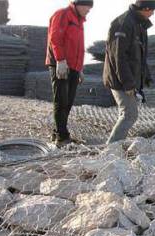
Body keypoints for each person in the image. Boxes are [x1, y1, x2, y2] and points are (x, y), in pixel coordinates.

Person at [103, 0, 155, 144]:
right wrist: (128, 83)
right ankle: (110, 149)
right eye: (152, 10)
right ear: (145, 8)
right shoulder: (124, 23)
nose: (153, 14)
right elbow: (118, 56)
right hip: (120, 80)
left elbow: (139, 55)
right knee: (129, 115)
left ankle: (115, 146)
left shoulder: (139, 24)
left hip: (128, 79)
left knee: (127, 114)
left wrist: (145, 76)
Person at [46, 0, 93, 147]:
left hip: (73, 67)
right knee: (61, 100)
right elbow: (55, 38)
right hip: (61, 64)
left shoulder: (79, 21)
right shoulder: (63, 14)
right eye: (88, 7)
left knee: (68, 101)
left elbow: (78, 46)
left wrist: (80, 69)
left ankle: (58, 133)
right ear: (79, 4)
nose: (89, 10)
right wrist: (60, 60)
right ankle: (62, 138)